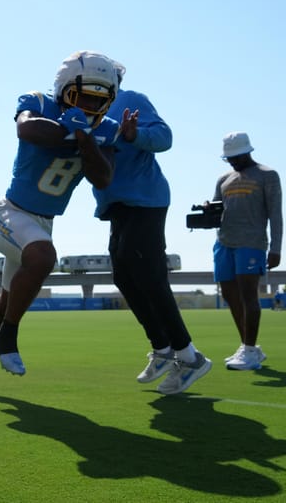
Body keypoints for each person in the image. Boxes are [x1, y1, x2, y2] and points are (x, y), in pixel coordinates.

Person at [0, 50, 118, 383]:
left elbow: (102, 177)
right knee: (44, 257)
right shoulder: (39, 103)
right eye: (82, 96)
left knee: (8, 298)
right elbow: (27, 129)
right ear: (63, 89)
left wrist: (84, 137)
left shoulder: (105, 130)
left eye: (98, 99)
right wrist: (69, 131)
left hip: (41, 222)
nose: (89, 105)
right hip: (9, 214)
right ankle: (8, 336)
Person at [90, 60, 212, 395]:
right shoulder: (86, 109)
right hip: (117, 205)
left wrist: (135, 133)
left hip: (146, 199)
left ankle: (189, 357)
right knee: (124, 277)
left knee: (149, 275)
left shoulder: (132, 99)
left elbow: (164, 136)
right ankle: (163, 349)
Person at [212, 132, 282, 370]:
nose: (232, 162)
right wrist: (205, 210)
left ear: (247, 152)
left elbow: (275, 213)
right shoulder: (223, 179)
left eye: (236, 157)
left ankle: (250, 351)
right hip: (223, 242)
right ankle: (247, 347)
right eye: (228, 158)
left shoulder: (267, 175)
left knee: (248, 295)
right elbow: (216, 210)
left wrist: (276, 248)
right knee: (230, 296)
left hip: (251, 242)